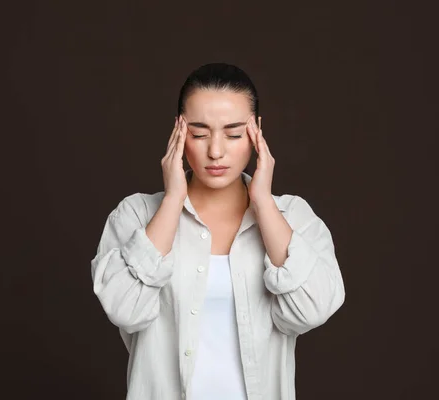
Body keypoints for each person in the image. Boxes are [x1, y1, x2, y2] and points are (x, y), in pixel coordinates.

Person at [90, 63, 346, 400]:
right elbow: (124, 309)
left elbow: (312, 310)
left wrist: (264, 203)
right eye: (198, 133)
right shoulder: (137, 215)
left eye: (234, 133)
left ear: (256, 131)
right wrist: (173, 201)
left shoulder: (292, 217)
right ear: (178, 132)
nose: (215, 150)